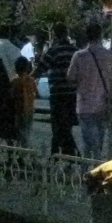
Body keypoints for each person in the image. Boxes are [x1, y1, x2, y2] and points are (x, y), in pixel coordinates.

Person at [33, 22, 78, 155]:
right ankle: (57, 152)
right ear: (67, 33)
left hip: (58, 93)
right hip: (72, 93)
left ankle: (69, 152)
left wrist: (27, 78)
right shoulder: (74, 51)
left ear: (55, 35)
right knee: (66, 124)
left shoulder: (53, 52)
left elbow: (40, 69)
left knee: (58, 124)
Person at [67, 22, 110, 159]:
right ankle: (98, 168)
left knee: (88, 143)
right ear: (101, 35)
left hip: (85, 105)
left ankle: (88, 171)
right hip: (103, 104)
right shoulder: (109, 55)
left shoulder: (79, 56)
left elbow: (70, 77)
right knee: (100, 141)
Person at [11, 56, 37, 147]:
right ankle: (25, 148)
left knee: (19, 131)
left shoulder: (14, 81)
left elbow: (12, 95)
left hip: (18, 110)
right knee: (27, 131)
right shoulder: (31, 80)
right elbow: (35, 93)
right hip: (29, 109)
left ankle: (20, 150)